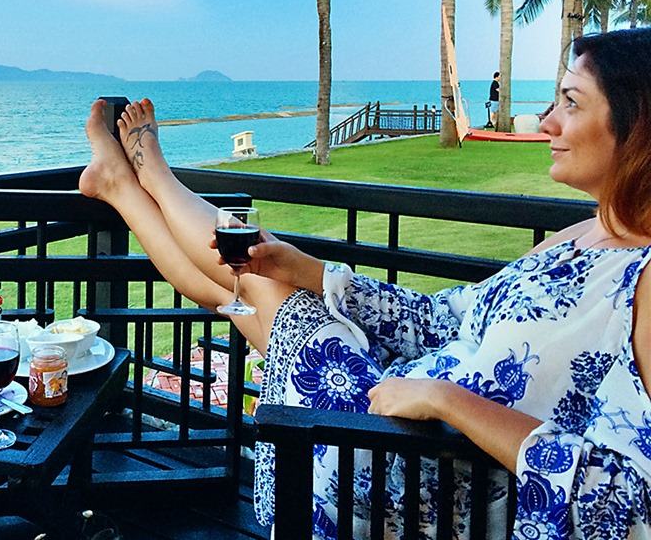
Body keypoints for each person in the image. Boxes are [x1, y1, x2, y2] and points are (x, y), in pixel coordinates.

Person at [78, 27, 651, 539]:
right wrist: (309, 269)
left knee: (256, 289)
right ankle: (127, 185)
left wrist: (447, 401)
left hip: (410, 472)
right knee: (258, 284)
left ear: (641, 128)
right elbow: (444, 319)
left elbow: (626, 504)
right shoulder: (590, 230)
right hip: (396, 405)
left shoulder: (644, 282)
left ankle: (146, 178)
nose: (548, 121)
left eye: (570, 103)